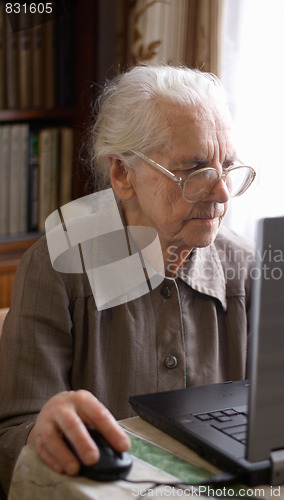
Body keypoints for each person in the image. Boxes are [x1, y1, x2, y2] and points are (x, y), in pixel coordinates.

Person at [0, 65, 256, 496]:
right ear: (122, 174)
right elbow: (11, 440)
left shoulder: (247, 267)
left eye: (227, 166)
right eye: (194, 168)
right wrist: (41, 433)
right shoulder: (56, 268)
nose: (222, 192)